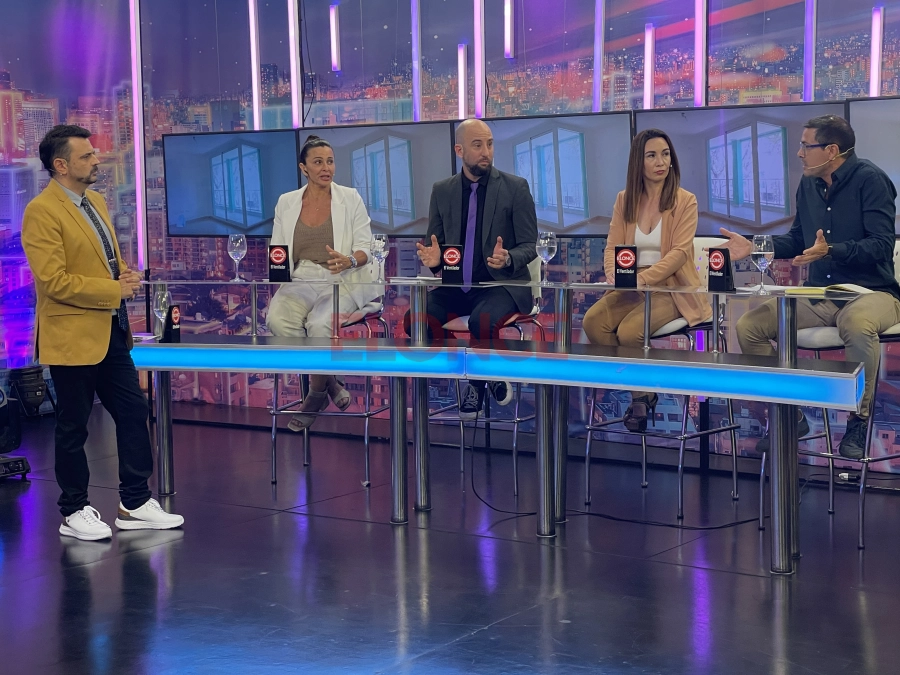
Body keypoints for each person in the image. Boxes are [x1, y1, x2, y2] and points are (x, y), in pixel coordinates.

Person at [21, 125, 184, 541]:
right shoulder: (42, 211)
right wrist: (114, 290)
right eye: (87, 156)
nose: (97, 161)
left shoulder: (94, 201)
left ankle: (134, 502)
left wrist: (122, 274)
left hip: (111, 330)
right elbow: (53, 281)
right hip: (71, 335)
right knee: (74, 425)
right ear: (61, 165)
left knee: (132, 412)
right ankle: (74, 510)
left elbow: (103, 260)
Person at [719, 114, 900, 459]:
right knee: (750, 326)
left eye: (806, 146)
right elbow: (798, 240)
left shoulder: (871, 180)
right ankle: (791, 413)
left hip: (873, 292)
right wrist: (755, 246)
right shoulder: (809, 184)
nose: (800, 153)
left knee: (856, 323)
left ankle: (858, 419)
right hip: (821, 294)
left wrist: (832, 250)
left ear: (832, 150)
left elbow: (880, 245)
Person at [405, 118, 538, 420]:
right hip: (457, 287)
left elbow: (530, 244)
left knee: (482, 321)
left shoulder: (515, 188)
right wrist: (434, 260)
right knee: (416, 320)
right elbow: (435, 243)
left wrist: (508, 258)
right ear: (459, 150)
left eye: (489, 144)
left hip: (500, 285)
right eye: (477, 145)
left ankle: (476, 384)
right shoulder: (442, 191)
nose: (486, 152)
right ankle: (486, 371)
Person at [582, 129, 712, 432]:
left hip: (672, 288)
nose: (660, 162)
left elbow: (679, 254)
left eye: (665, 154)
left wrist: (641, 279)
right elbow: (612, 247)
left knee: (630, 332)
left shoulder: (685, 201)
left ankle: (639, 397)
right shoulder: (624, 200)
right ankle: (642, 391)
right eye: (652, 155)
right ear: (638, 163)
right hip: (632, 284)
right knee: (593, 322)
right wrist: (615, 275)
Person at [266, 135, 381, 431]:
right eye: (318, 162)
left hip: (341, 278)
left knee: (319, 324)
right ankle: (329, 382)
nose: (326, 168)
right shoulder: (287, 202)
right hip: (301, 277)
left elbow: (366, 248)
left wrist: (349, 260)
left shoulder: (350, 198)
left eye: (330, 161)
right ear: (304, 168)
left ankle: (315, 396)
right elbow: (278, 249)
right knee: (277, 320)